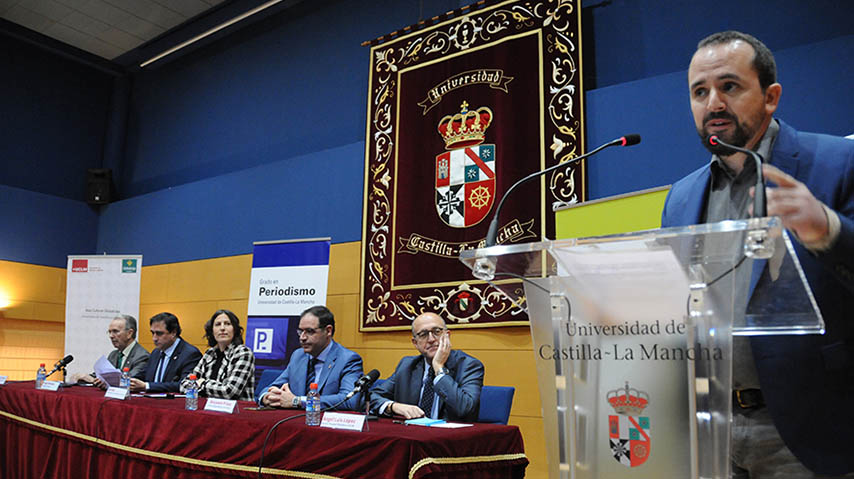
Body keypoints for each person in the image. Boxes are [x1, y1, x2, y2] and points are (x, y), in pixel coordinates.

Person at [662, 31, 854, 477]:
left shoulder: (838, 163)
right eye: (699, 91)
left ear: (770, 97)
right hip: (711, 427)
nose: (713, 104)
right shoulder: (681, 196)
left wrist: (827, 230)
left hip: (809, 429)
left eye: (729, 86)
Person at [371, 312, 484, 422]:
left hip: (450, 438)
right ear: (415, 343)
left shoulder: (469, 365)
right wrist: (393, 406)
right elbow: (370, 397)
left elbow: (465, 409)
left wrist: (439, 368)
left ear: (447, 336)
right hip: (414, 435)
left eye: (437, 331)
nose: (431, 339)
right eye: (423, 334)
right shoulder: (407, 366)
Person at [257, 305, 363, 410]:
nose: (302, 337)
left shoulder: (348, 359)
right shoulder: (298, 356)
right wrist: (267, 397)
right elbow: (270, 388)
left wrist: (298, 401)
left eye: (309, 331)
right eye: (300, 331)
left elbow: (350, 400)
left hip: (324, 423)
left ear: (328, 331)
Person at [180, 309, 256, 401]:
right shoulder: (209, 354)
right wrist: (201, 385)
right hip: (209, 409)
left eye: (227, 324)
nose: (222, 328)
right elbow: (184, 384)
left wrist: (202, 384)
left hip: (237, 412)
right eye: (218, 324)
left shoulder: (243, 353)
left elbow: (230, 392)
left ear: (235, 329)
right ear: (212, 331)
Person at [128, 312, 202, 393]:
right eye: (152, 333)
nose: (154, 338)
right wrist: (128, 381)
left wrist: (147, 386)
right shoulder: (156, 352)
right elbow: (143, 374)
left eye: (159, 333)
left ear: (173, 333)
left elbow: (184, 385)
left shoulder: (190, 354)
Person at [72, 315, 149, 389]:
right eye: (110, 332)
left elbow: (129, 381)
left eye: (115, 331)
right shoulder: (114, 354)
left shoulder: (142, 356)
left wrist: (94, 380)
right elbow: (101, 376)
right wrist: (85, 377)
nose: (111, 336)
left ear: (129, 333)